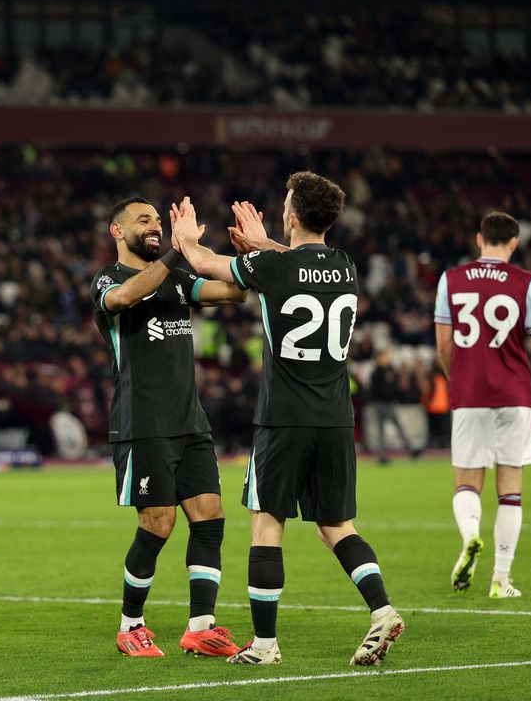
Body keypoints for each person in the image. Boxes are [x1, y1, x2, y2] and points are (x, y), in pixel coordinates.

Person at [171, 174, 404, 668]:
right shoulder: (345, 266)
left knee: (265, 523)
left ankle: (264, 645)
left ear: (292, 215)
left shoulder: (274, 267)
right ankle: (382, 609)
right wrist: (265, 245)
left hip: (283, 419)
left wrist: (188, 238)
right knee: (336, 525)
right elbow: (298, 264)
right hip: (336, 418)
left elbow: (206, 264)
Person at [91, 196, 248, 659]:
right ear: (117, 231)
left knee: (209, 515)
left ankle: (201, 626)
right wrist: (180, 251)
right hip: (143, 423)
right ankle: (130, 626)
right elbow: (121, 299)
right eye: (144, 220)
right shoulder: (109, 278)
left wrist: (241, 259)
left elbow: (233, 293)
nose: (155, 226)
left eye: (159, 220)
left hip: (188, 421)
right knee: (158, 523)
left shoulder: (176, 278)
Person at [434, 211, 531, 600]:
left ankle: (470, 536)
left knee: (467, 482)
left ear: (478, 239)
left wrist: (459, 380)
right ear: (514, 243)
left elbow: (443, 343)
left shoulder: (450, 279)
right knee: (510, 489)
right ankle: (501, 580)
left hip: (470, 393)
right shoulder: (526, 281)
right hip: (514, 394)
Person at [365, 350, 409, 464]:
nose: (388, 358)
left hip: (387, 402)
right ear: (379, 358)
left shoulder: (389, 371)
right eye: (385, 356)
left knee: (394, 426)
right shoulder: (377, 373)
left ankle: (409, 448)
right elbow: (378, 390)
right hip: (380, 403)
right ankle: (382, 455)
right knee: (382, 430)